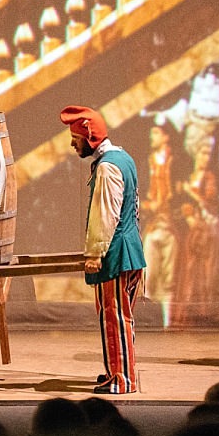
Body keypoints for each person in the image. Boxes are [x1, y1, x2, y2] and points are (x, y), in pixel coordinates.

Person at [60, 105, 146, 394]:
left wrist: (95, 253)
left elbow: (105, 214)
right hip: (130, 249)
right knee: (118, 316)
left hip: (116, 253)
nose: (73, 144)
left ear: (90, 136)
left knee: (114, 316)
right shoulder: (124, 158)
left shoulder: (109, 167)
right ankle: (118, 372)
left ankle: (122, 380)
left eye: (76, 138)